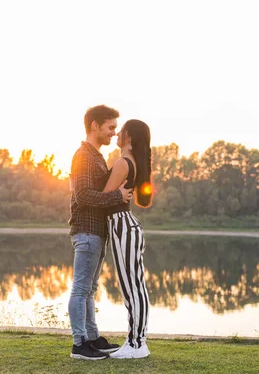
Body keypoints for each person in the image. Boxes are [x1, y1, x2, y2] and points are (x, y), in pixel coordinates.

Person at [68, 105, 134, 360]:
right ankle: (79, 344)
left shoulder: (95, 156)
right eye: (110, 128)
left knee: (89, 288)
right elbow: (82, 195)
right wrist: (116, 195)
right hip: (86, 231)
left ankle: (92, 338)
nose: (113, 133)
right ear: (95, 126)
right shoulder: (83, 155)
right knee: (81, 288)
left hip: (96, 232)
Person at [103, 119, 153, 359]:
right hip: (124, 225)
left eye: (120, 131)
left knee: (133, 288)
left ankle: (136, 344)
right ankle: (136, 341)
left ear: (129, 138)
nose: (117, 134)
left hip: (123, 225)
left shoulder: (123, 163)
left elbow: (103, 198)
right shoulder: (130, 162)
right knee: (134, 286)